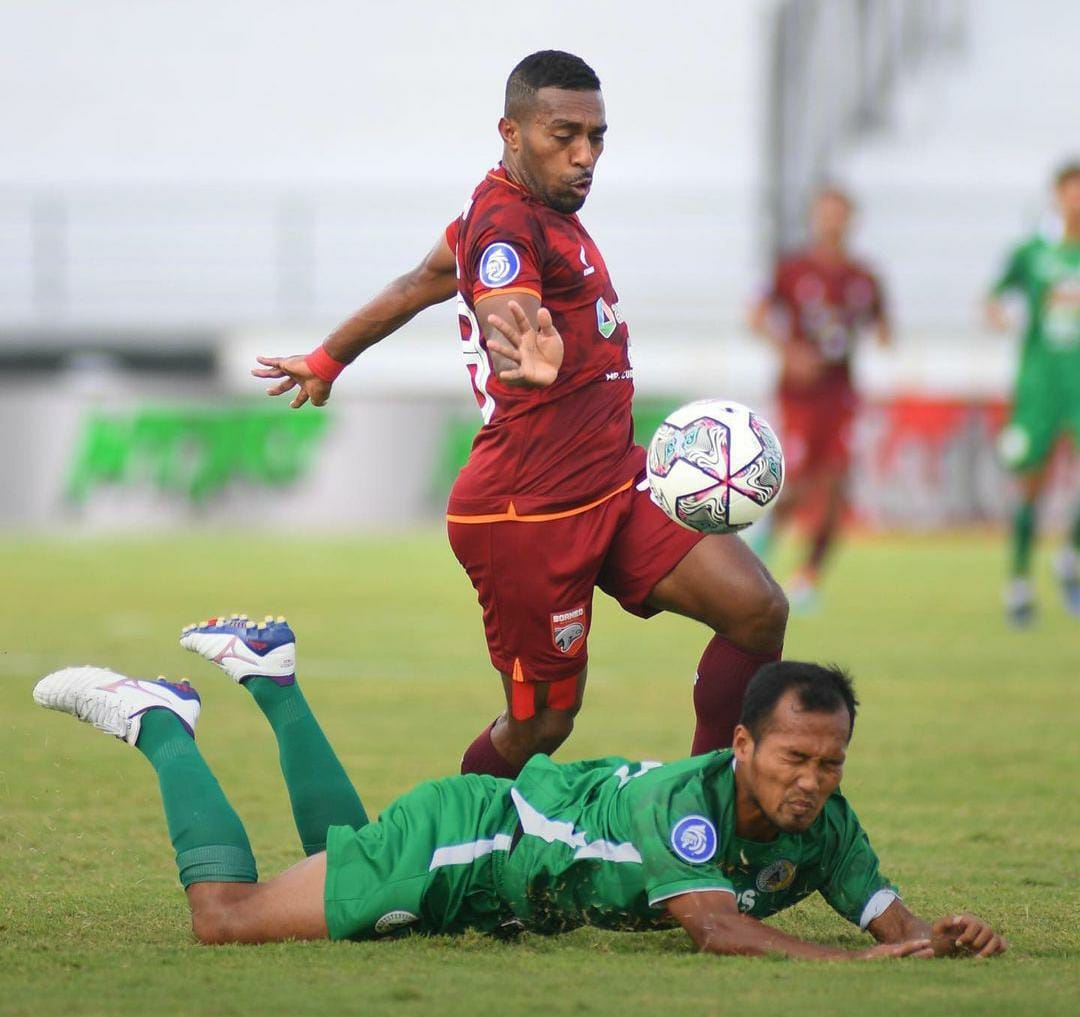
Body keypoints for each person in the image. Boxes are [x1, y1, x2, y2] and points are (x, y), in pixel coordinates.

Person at [250, 50, 787, 773]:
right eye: (562, 134)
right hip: (526, 510)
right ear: (510, 131)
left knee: (757, 610)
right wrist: (522, 355)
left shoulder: (508, 206)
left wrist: (327, 358)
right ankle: (450, 852)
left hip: (611, 479)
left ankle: (713, 816)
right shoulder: (506, 223)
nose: (584, 154)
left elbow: (419, 282)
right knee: (542, 724)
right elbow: (509, 306)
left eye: (596, 137)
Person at [32, 615, 1006, 959]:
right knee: (226, 919)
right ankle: (158, 720)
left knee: (335, 872)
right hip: (471, 848)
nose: (811, 782)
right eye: (794, 759)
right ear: (742, 746)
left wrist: (940, 942)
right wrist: (858, 969)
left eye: (828, 763)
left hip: (492, 876)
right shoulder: (687, 803)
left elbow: (891, 922)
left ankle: (271, 677)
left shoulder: (825, 825)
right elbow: (715, 928)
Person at [748, 187, 890, 610]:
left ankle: (808, 577)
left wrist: (881, 337)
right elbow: (756, 316)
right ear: (814, 219)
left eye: (839, 215)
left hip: (841, 394)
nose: (832, 222)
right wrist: (791, 353)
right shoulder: (792, 269)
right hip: (799, 395)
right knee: (796, 480)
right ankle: (766, 534)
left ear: (851, 221)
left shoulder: (863, 276)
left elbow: (883, 326)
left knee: (835, 483)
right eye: (825, 214)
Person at [985, 161, 1080, 626]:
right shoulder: (1032, 253)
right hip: (1041, 383)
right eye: (1071, 190)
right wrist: (998, 316)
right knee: (1032, 482)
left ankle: (1071, 556)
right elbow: (994, 297)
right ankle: (1020, 582)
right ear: (1057, 196)